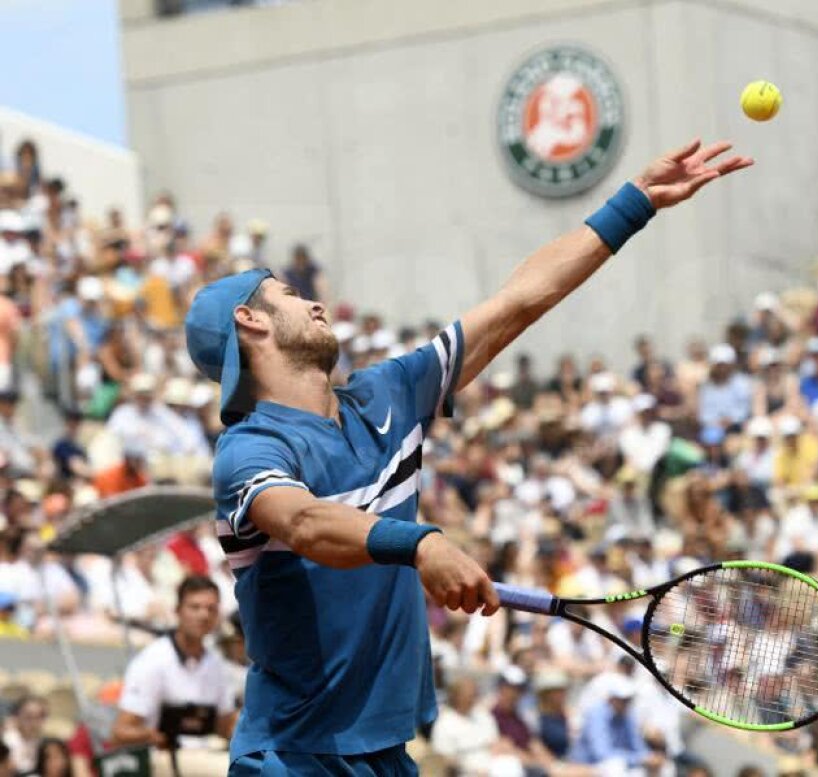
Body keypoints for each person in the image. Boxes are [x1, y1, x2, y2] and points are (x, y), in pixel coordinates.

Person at [184, 139, 751, 774]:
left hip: (386, 753)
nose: (315, 302)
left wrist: (635, 203)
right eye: (289, 294)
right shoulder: (249, 449)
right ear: (250, 320)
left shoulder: (388, 395)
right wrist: (421, 544)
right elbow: (304, 523)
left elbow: (518, 302)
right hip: (292, 758)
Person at [111, 576, 237, 750]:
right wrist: (158, 736)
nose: (204, 615)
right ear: (177, 611)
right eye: (195, 607)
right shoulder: (152, 660)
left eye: (211, 609)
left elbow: (226, 725)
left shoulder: (218, 664)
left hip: (205, 757)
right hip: (161, 757)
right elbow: (121, 732)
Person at [570, 677, 661, 772]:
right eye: (622, 699)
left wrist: (649, 757)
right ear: (611, 699)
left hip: (617, 764)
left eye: (628, 699)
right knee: (615, 767)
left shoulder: (627, 714)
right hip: (588, 765)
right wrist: (641, 759)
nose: (626, 703)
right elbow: (602, 754)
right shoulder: (596, 715)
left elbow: (637, 745)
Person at [1, 696, 46, 774]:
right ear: (16, 716)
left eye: (39, 717)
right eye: (29, 717)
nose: (34, 722)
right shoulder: (6, 740)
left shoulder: (42, 742)